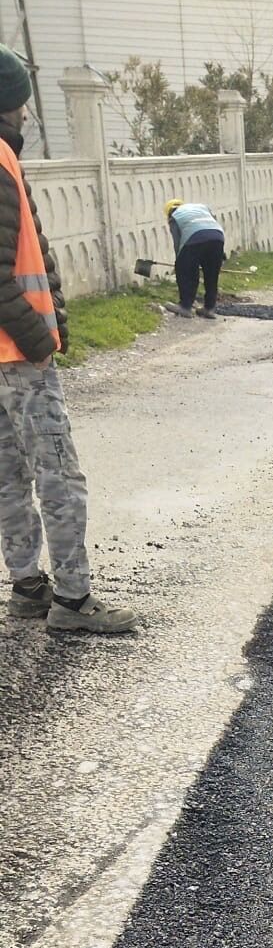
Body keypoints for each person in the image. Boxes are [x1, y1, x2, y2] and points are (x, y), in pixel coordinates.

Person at [0, 45, 135, 632]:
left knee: (8, 474)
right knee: (58, 474)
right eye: (23, 103)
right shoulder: (0, 160)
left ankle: (28, 586)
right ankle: (74, 601)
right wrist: (40, 339)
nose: (28, 114)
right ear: (11, 103)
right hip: (16, 356)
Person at [163, 199, 226, 320]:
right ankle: (209, 308)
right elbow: (211, 226)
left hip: (194, 238)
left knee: (187, 272)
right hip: (217, 237)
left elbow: (177, 242)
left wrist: (179, 262)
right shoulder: (202, 207)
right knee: (212, 275)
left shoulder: (174, 217)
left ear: (169, 212)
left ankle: (185, 307)